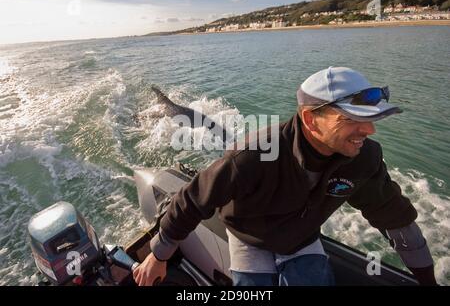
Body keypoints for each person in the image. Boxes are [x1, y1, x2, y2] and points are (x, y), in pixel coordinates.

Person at [133, 67, 437, 286]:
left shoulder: (363, 158)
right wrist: (158, 256)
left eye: (371, 120)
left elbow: (394, 216)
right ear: (310, 119)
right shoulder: (251, 156)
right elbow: (193, 199)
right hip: (247, 236)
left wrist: (428, 282)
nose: (369, 131)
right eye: (352, 120)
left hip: (302, 238)